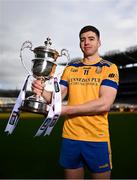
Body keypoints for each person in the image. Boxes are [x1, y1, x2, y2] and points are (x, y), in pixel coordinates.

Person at [32, 25, 119, 179]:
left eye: (91, 39)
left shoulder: (109, 68)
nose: (86, 42)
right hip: (70, 136)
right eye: (82, 39)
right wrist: (42, 91)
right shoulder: (71, 68)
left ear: (99, 42)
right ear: (79, 44)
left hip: (96, 138)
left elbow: (104, 103)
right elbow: (58, 98)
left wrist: (66, 110)